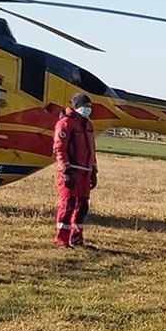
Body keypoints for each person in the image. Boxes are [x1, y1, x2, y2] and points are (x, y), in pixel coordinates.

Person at [53, 91, 97, 248]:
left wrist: (94, 170)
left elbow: (92, 149)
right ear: (78, 107)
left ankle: (76, 239)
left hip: (85, 171)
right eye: (86, 106)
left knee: (82, 206)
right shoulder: (65, 124)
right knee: (68, 205)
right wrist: (65, 170)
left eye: (90, 107)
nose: (88, 109)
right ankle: (62, 240)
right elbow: (59, 149)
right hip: (72, 171)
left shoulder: (88, 125)